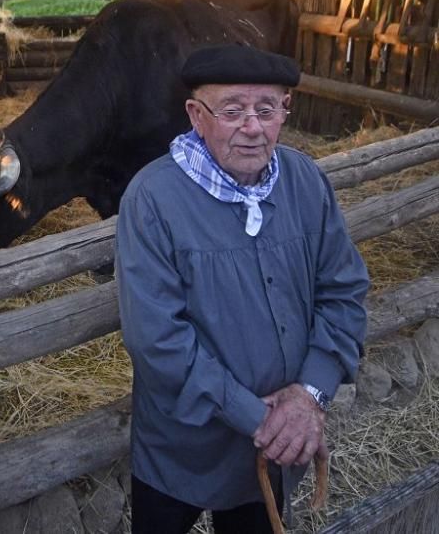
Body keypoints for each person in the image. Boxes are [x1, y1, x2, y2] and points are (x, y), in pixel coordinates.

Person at [115, 44, 369, 533]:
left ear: (284, 112)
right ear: (196, 115)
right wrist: (259, 418)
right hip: (184, 447)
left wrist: (309, 396)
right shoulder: (153, 199)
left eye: (266, 109)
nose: (252, 126)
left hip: (275, 450)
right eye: (232, 111)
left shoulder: (305, 182)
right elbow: (158, 341)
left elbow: (344, 291)